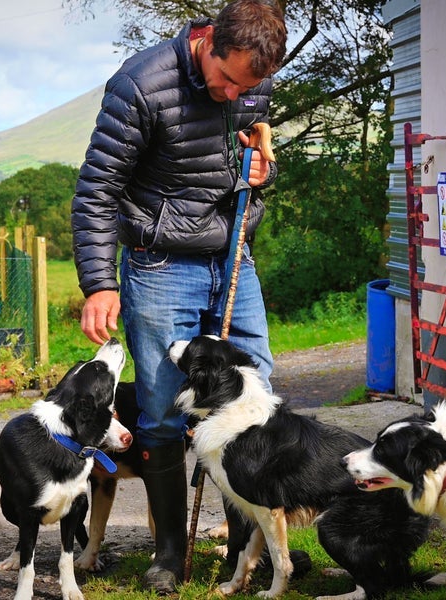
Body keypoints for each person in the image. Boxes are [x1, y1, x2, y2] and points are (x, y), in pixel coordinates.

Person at [71, 0, 287, 593]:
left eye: (246, 86)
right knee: (164, 407)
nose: (231, 93)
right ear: (209, 39)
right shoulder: (141, 85)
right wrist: (99, 282)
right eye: (226, 78)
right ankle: (169, 553)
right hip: (161, 263)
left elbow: (239, 153)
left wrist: (258, 175)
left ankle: (248, 549)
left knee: (255, 396)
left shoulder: (252, 78)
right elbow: (96, 190)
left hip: (232, 256)